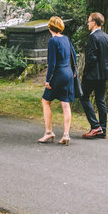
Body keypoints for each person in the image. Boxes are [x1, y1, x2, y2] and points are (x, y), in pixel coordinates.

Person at [38, 16, 76, 146]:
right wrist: (74, 72)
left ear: (50, 27)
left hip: (58, 74)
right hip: (68, 73)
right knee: (65, 104)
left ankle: (49, 132)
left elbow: (52, 62)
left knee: (45, 101)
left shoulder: (53, 41)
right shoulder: (66, 39)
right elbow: (74, 55)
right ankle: (66, 135)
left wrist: (48, 80)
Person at [80, 12, 108, 139]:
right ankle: (103, 129)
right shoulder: (107, 37)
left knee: (83, 97)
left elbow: (91, 58)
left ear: (94, 22)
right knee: (100, 100)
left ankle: (95, 126)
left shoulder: (93, 37)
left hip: (93, 74)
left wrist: (86, 72)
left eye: (89, 21)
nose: (88, 24)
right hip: (105, 73)